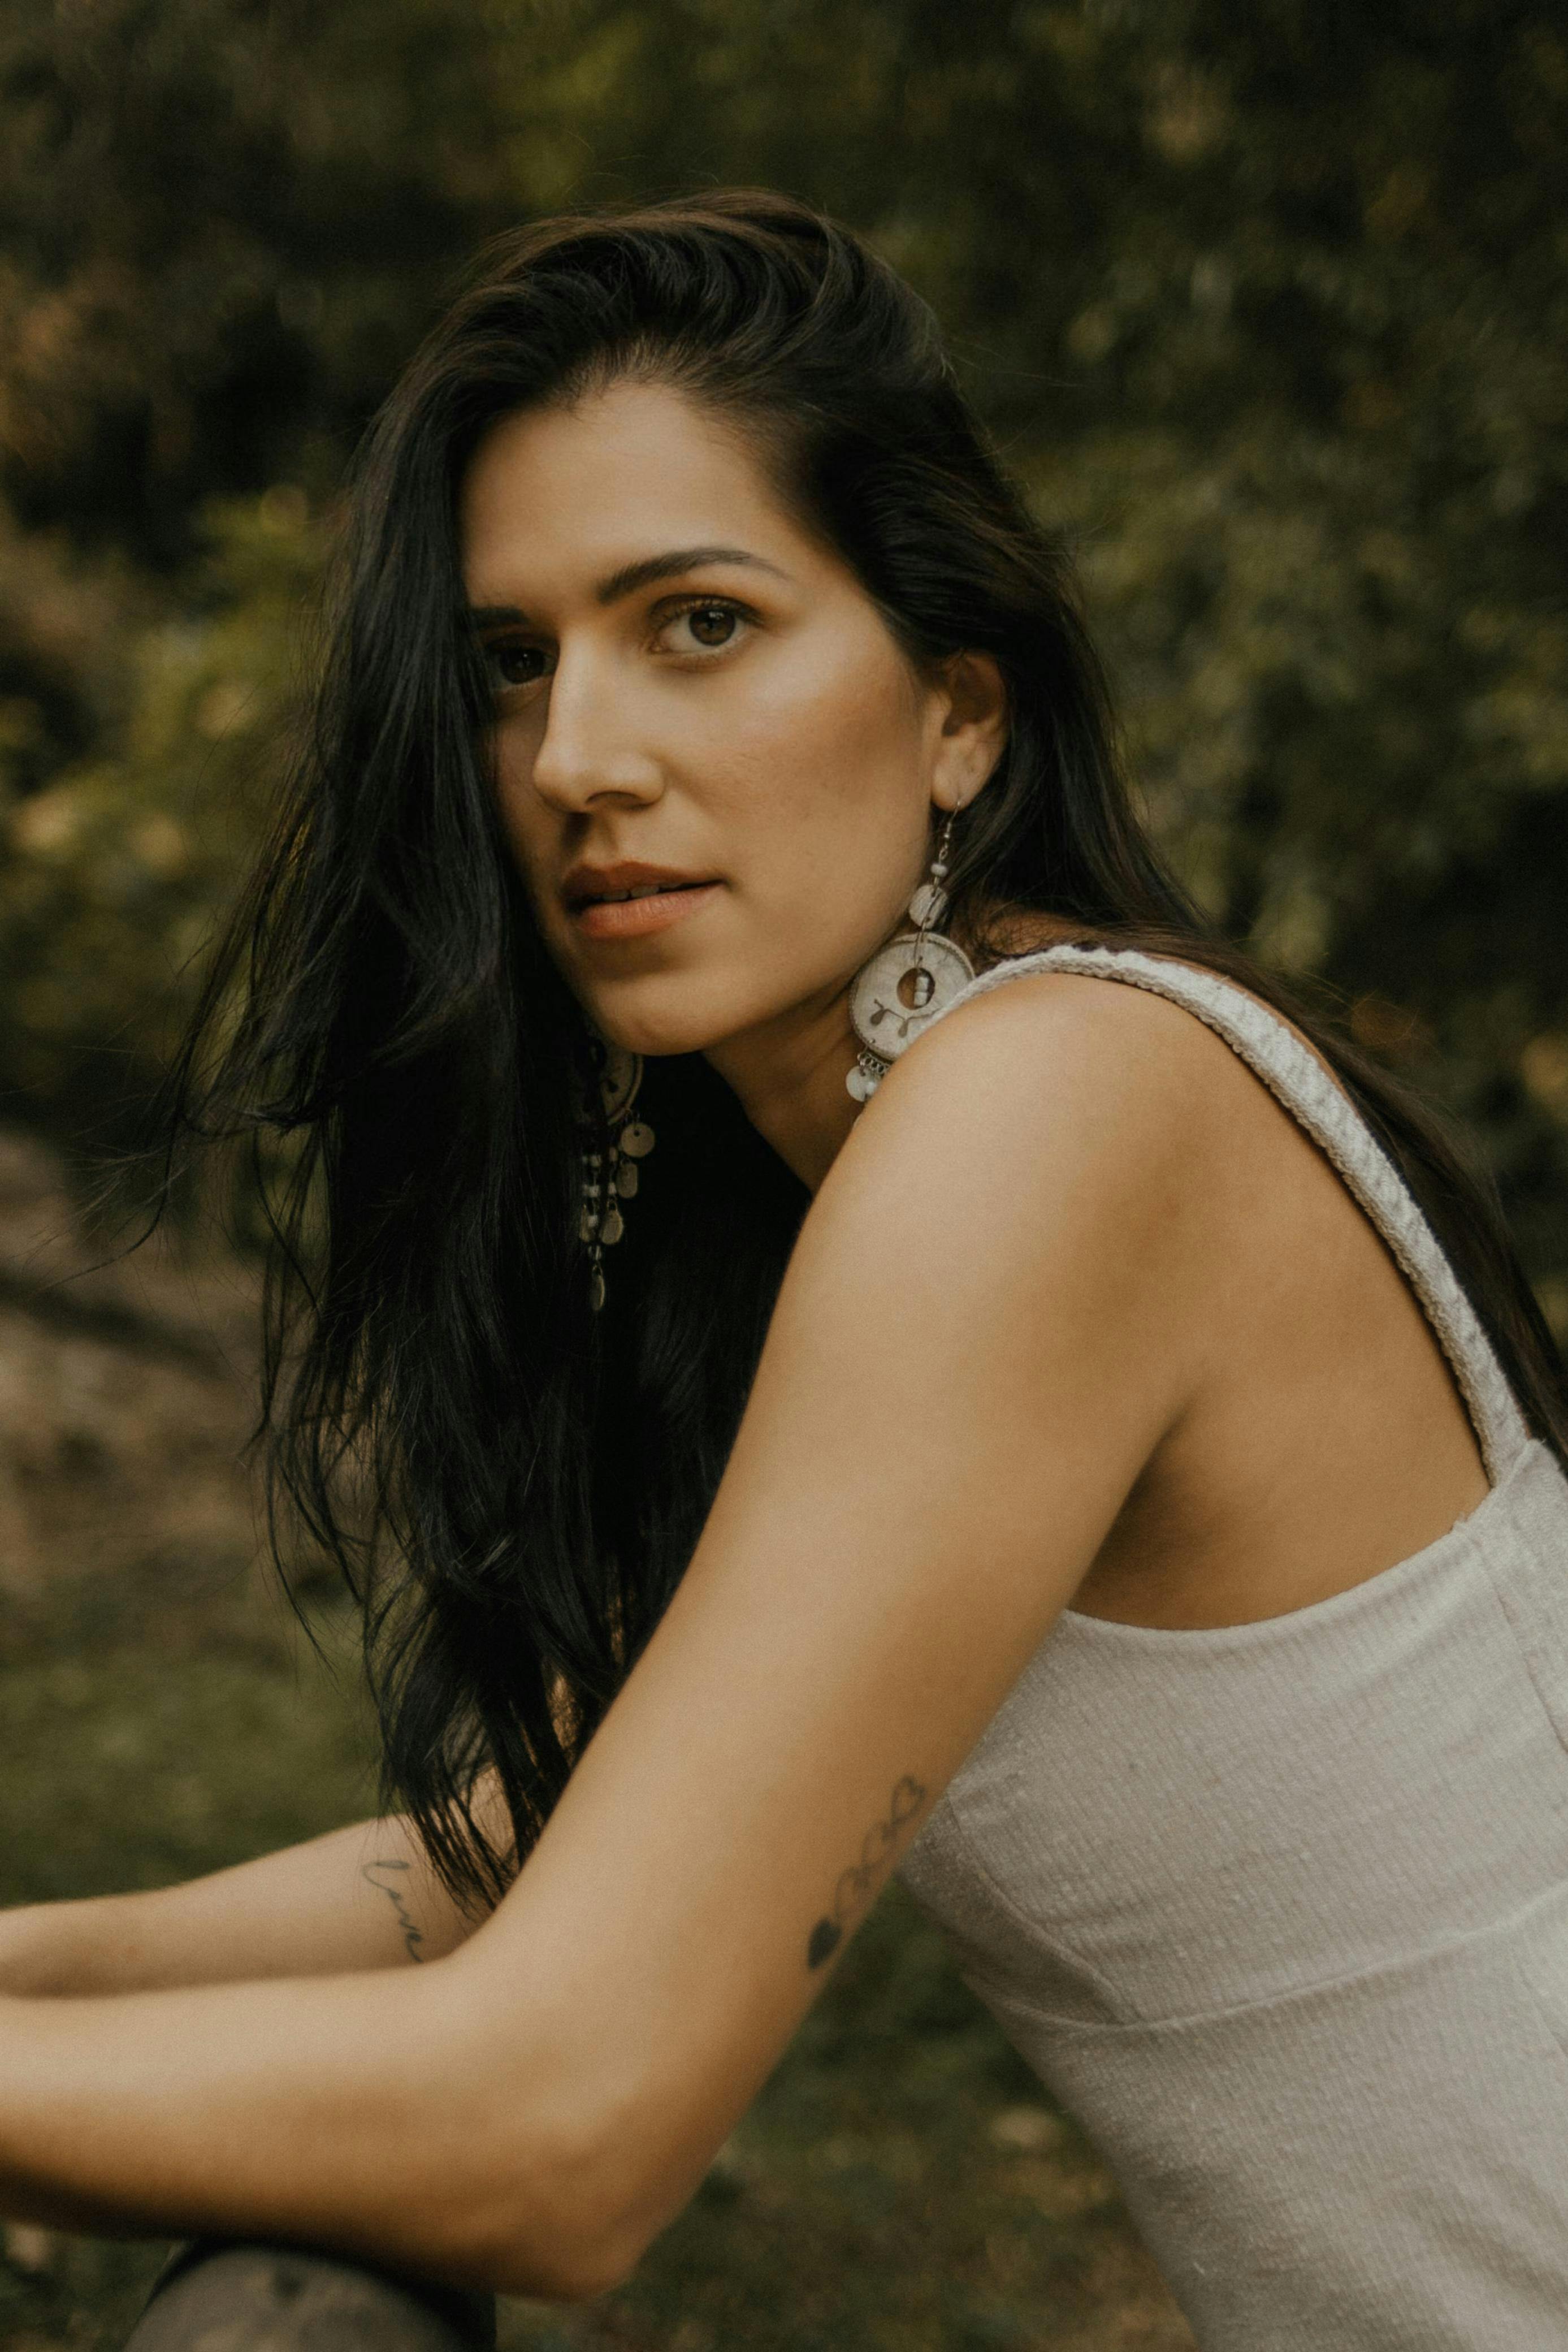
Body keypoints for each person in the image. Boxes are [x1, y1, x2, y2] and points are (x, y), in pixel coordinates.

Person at [1, 190, 1565, 2352]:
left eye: (701, 624)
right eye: (511, 664)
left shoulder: (1061, 1110)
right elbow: (505, 1861)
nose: (578, 761)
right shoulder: (868, 1184)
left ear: (957, 716)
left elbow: (567, 2123)